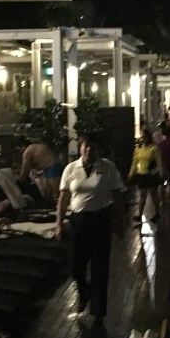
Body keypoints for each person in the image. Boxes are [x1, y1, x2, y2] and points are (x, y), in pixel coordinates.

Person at [55, 134, 125, 325]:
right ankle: (84, 293)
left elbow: (118, 196)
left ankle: (98, 311)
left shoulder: (107, 168)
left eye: (92, 147)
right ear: (80, 148)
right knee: (75, 266)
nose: (88, 150)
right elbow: (63, 199)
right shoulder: (71, 169)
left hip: (101, 219)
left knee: (100, 267)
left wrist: (120, 222)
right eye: (85, 146)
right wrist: (59, 223)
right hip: (78, 221)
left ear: (98, 150)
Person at [128, 126, 163, 221]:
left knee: (153, 194)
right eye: (142, 136)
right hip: (142, 174)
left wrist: (161, 173)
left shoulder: (153, 148)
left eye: (145, 136)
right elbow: (134, 162)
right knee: (143, 195)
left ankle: (157, 213)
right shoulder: (138, 149)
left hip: (151, 174)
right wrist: (131, 174)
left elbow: (159, 161)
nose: (143, 138)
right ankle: (140, 214)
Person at [19, 137, 63, 207]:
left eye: (20, 149)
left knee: (56, 191)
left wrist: (20, 180)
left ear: (23, 146)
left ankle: (63, 206)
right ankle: (51, 207)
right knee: (47, 191)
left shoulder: (27, 152)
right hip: (51, 166)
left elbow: (25, 168)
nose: (20, 151)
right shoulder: (36, 147)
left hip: (52, 166)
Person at [156, 121, 170, 190]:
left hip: (164, 162)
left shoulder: (161, 143)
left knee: (165, 177)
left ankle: (165, 185)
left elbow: (158, 153)